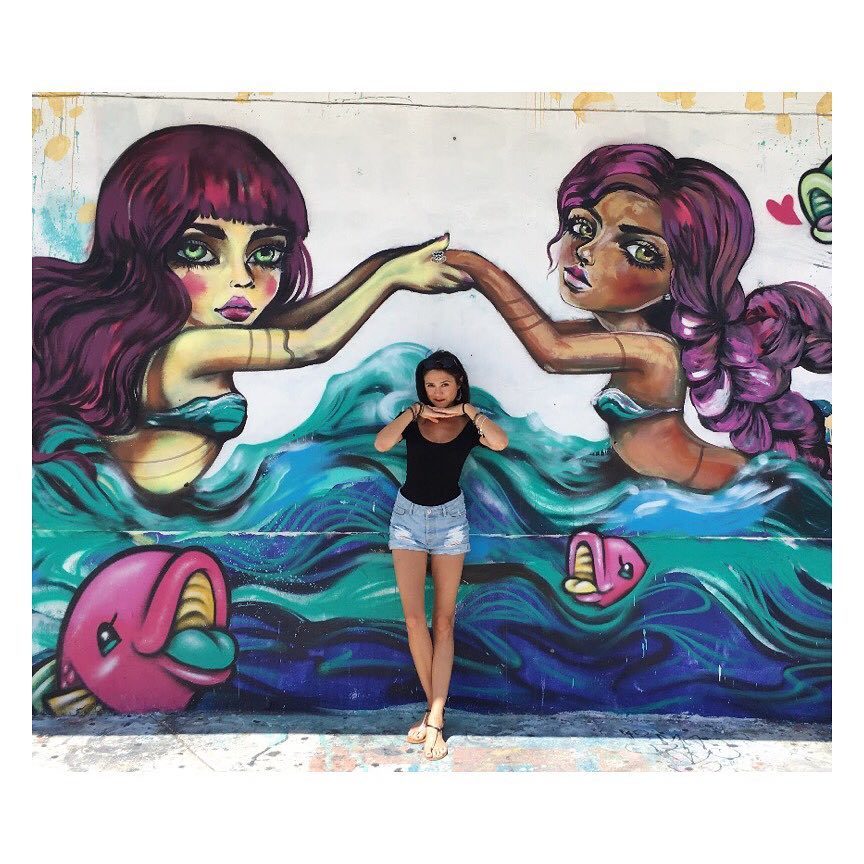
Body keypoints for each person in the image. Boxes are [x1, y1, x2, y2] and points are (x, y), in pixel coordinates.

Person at [33, 124, 466, 495]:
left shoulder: (196, 334)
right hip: (138, 520)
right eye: (198, 250)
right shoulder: (188, 350)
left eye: (265, 253)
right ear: (142, 251)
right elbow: (311, 344)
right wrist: (389, 278)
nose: (242, 279)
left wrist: (381, 267)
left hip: (159, 518)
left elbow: (304, 318)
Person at [446, 143, 832, 490]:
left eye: (640, 251)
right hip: (656, 489)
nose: (587, 251)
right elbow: (545, 333)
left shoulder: (655, 352)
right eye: (583, 226)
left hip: (708, 494)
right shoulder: (628, 331)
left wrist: (475, 268)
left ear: (679, 280)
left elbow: (553, 351)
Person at [374, 350, 508, 760]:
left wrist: (468, 410)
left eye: (445, 384)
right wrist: (413, 412)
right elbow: (381, 444)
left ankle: (434, 717)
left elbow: (500, 443)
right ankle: (435, 711)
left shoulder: (469, 423)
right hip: (407, 520)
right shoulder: (414, 418)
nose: (437, 391)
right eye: (430, 385)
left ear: (459, 384)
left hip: (451, 521)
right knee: (414, 620)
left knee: (444, 622)